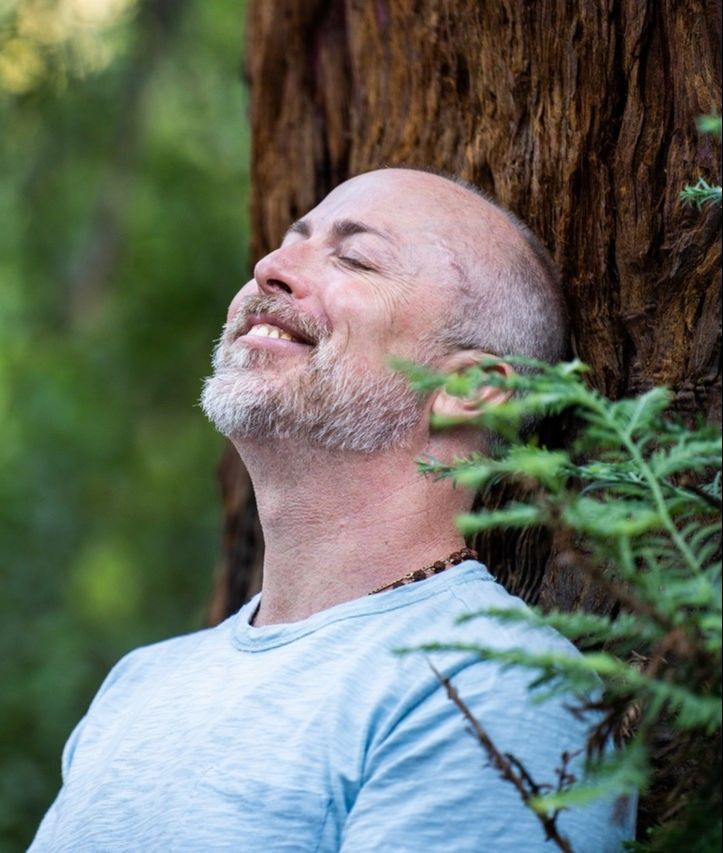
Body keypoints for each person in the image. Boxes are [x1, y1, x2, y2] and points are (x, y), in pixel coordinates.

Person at [31, 168, 635, 851]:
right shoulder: (141, 684)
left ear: (466, 388)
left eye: (354, 257)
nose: (268, 268)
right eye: (289, 241)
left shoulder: (495, 685)